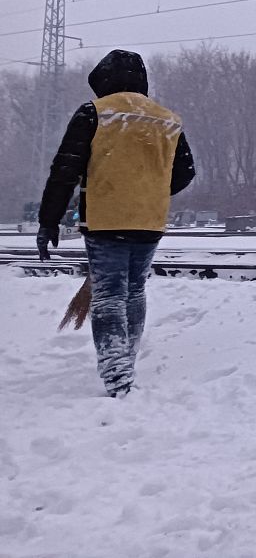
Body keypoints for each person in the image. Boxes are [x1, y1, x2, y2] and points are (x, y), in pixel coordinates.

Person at [36, 50, 195, 397]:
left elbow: (64, 171)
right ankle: (126, 363)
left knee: (108, 295)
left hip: (106, 220)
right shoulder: (168, 120)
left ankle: (117, 375)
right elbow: (185, 173)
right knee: (134, 291)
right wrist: (150, 190)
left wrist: (48, 221)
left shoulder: (95, 113)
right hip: (150, 221)